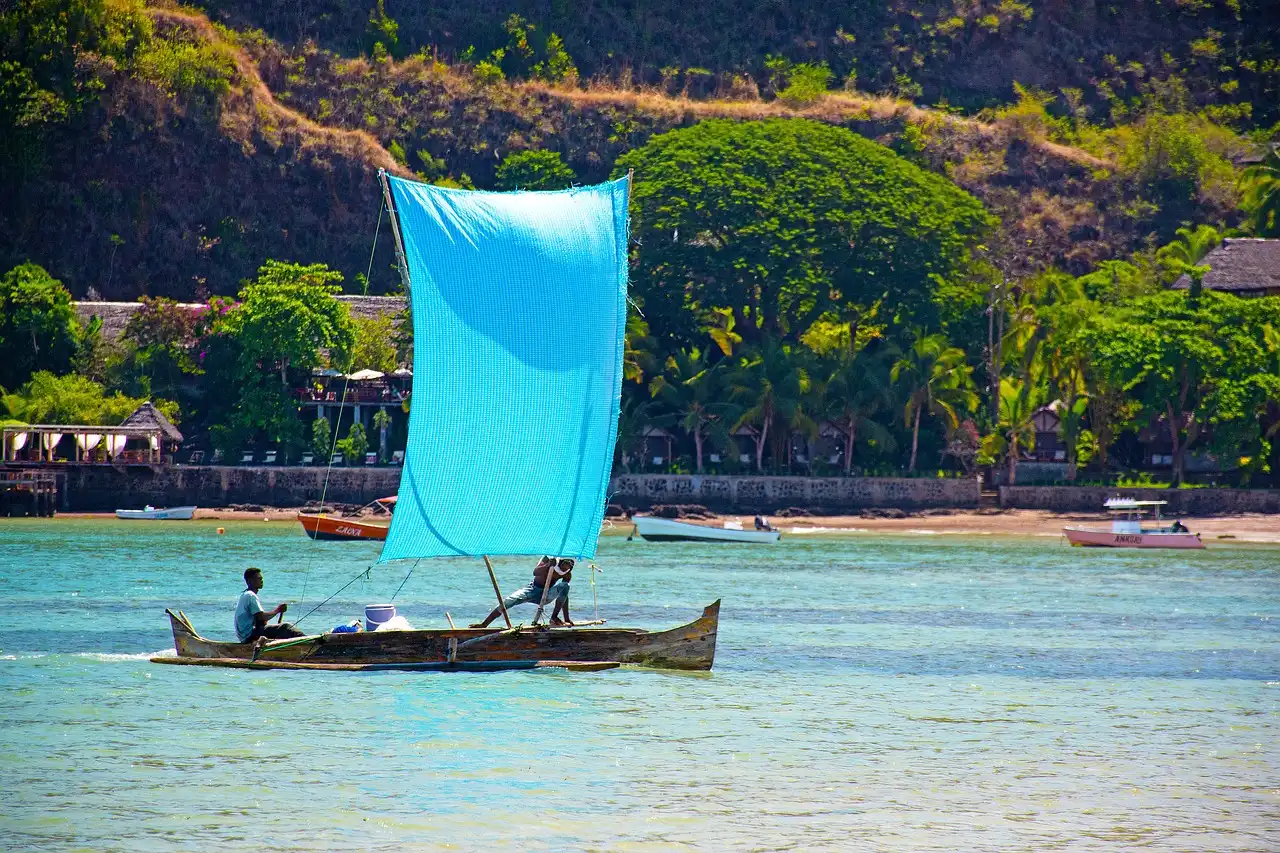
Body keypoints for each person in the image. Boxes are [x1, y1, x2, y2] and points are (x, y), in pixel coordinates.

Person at [471, 556, 573, 628]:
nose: (567, 566)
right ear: (562, 561)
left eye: (570, 566)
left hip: (545, 595)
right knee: (509, 601)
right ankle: (484, 624)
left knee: (565, 586)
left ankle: (554, 618)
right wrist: (548, 565)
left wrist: (567, 618)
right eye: (566, 563)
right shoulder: (549, 559)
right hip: (532, 589)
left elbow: (564, 595)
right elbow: (535, 572)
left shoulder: (567, 574)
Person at [234, 567, 304, 643]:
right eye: (259, 579)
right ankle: (308, 641)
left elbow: (259, 620)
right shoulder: (250, 596)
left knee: (280, 630)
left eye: (261, 578)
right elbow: (262, 617)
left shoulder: (245, 595)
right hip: (250, 635)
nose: (261, 580)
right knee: (286, 627)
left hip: (246, 636)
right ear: (250, 581)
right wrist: (278, 610)